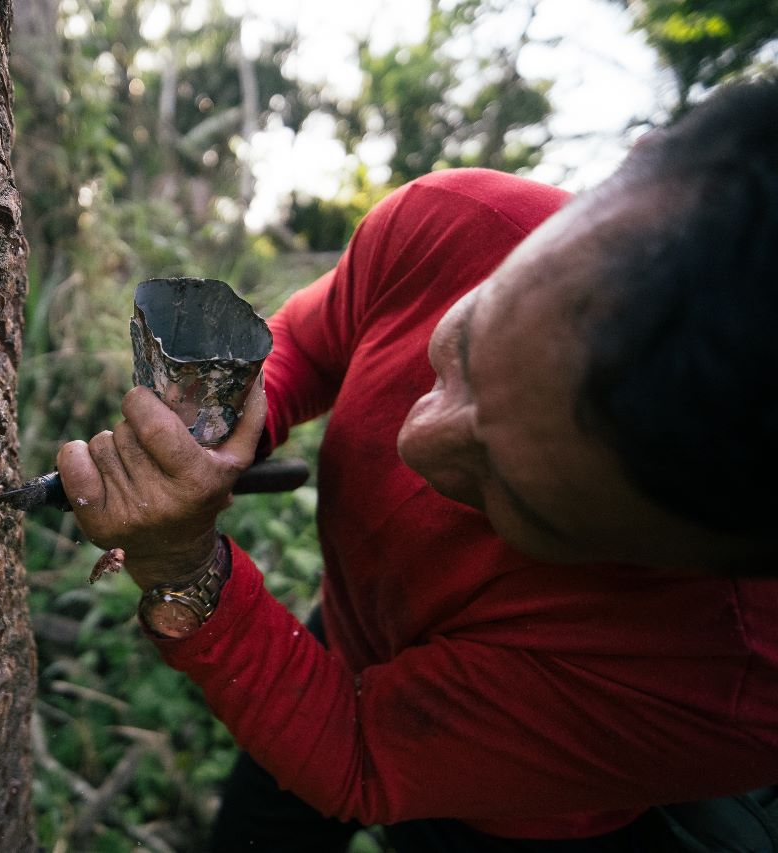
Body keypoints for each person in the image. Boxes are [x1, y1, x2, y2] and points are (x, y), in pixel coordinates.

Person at [56, 77, 778, 851]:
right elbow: (314, 340)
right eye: (462, 347)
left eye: (516, 504)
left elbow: (361, 749)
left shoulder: (727, 676)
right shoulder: (464, 222)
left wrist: (186, 567)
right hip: (349, 630)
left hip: (516, 819)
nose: (417, 441)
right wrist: (219, 431)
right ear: (630, 169)